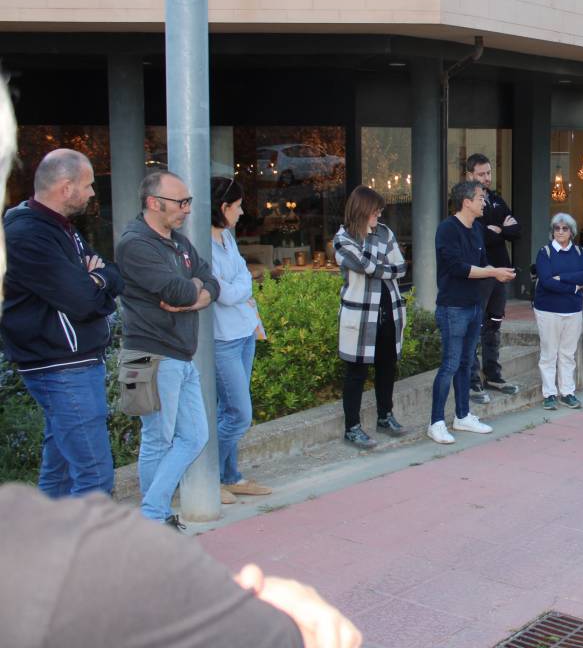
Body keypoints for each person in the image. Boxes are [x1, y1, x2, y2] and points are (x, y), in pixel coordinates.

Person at [0, 483, 361, 648]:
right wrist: (235, 597)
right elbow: (294, 636)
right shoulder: (84, 556)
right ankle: (154, 512)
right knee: (186, 436)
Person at [0, 148, 124, 497]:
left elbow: (112, 272)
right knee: (95, 477)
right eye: (88, 185)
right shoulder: (28, 234)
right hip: (60, 367)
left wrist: (96, 279)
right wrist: (95, 281)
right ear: (66, 187)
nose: (93, 193)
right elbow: (83, 301)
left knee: (61, 472)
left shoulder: (61, 228)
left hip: (73, 364)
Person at [116, 171, 220, 527]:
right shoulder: (135, 244)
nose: (187, 209)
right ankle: (153, 518)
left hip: (180, 355)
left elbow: (210, 282)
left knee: (195, 437)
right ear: (153, 203)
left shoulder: (179, 242)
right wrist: (194, 291)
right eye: (181, 202)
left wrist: (196, 295)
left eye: (188, 201)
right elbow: (179, 291)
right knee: (158, 439)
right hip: (151, 355)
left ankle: (153, 513)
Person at [428, 180, 515, 444]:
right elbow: (458, 268)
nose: (484, 203)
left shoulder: (477, 229)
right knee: (450, 364)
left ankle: (463, 415)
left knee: (466, 363)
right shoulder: (447, 229)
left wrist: (498, 273)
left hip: (475, 305)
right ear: (466, 202)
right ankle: (436, 422)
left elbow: (481, 264)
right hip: (453, 307)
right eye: (480, 198)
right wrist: (493, 272)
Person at [210, 177, 272, 500]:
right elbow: (223, 292)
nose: (242, 212)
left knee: (229, 411)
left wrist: (239, 286)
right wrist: (239, 287)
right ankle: (205, 480)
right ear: (223, 207)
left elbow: (245, 276)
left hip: (245, 331)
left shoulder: (227, 238)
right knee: (238, 414)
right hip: (223, 339)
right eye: (237, 206)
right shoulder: (201, 243)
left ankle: (230, 476)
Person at [334, 185, 407, 450]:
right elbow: (364, 265)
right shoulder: (343, 239)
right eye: (375, 211)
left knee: (387, 367)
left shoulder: (385, 232)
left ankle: (385, 416)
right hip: (360, 315)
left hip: (389, 310)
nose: (379, 215)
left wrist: (378, 266)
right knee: (356, 373)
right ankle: (352, 428)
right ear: (362, 210)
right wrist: (378, 259)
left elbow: (401, 268)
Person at [465, 153, 521, 403]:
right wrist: (499, 230)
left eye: (488, 173)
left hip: (501, 273)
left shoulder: (497, 200)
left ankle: (493, 374)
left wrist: (496, 230)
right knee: (475, 326)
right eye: (481, 174)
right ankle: (473, 381)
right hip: (480, 274)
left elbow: (516, 230)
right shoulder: (466, 201)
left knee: (494, 324)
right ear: (470, 175)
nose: (487, 178)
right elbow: (478, 234)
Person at [533, 212, 583, 410]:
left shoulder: (580, 252)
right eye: (556, 228)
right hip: (548, 310)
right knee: (549, 354)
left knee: (568, 354)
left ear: (571, 232)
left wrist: (563, 277)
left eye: (564, 228)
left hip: (573, 310)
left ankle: (567, 392)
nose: (560, 232)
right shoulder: (545, 253)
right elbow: (547, 281)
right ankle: (549, 394)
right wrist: (574, 287)